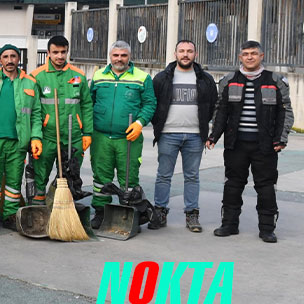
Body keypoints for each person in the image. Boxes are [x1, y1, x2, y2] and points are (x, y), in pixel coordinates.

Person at [208, 41, 294, 243]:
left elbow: (285, 112)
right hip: (235, 144)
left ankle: (267, 229)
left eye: (253, 53)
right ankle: (229, 225)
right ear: (240, 57)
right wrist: (214, 136)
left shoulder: (275, 81)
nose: (249, 57)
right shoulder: (229, 80)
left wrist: (281, 138)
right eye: (245, 54)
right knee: (232, 185)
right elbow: (221, 111)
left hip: (265, 146)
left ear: (261, 56)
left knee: (265, 187)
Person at [149, 40, 218, 232]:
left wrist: (205, 128)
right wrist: (159, 125)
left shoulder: (205, 79)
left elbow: (213, 105)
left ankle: (192, 215)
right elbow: (152, 104)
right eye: (181, 51)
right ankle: (160, 212)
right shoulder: (162, 78)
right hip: (168, 134)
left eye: (189, 51)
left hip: (195, 136)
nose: (185, 54)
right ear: (175, 54)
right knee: (163, 175)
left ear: (196, 54)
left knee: (192, 176)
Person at [0, 44, 43, 230]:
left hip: (18, 141)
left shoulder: (30, 83)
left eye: (13, 56)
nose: (10, 60)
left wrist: (36, 137)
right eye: (5, 56)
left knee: (13, 181)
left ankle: (11, 215)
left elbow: (36, 113)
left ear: (19, 59)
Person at [89, 41, 157, 229]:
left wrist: (139, 122)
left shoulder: (142, 78)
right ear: (110, 56)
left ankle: (129, 212)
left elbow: (150, 103)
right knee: (100, 177)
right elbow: (90, 102)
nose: (119, 59)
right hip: (101, 137)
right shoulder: (98, 76)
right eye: (116, 55)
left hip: (129, 138)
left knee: (129, 178)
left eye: (123, 55)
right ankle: (100, 212)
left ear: (129, 57)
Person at [30, 35, 93, 205]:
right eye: (55, 52)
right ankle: (38, 205)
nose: (60, 56)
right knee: (40, 174)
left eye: (63, 52)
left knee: (70, 174)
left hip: (74, 136)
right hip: (47, 136)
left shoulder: (78, 75)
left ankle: (64, 207)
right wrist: (35, 136)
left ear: (67, 52)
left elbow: (87, 105)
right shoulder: (37, 76)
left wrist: (87, 132)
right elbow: (34, 110)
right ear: (48, 53)